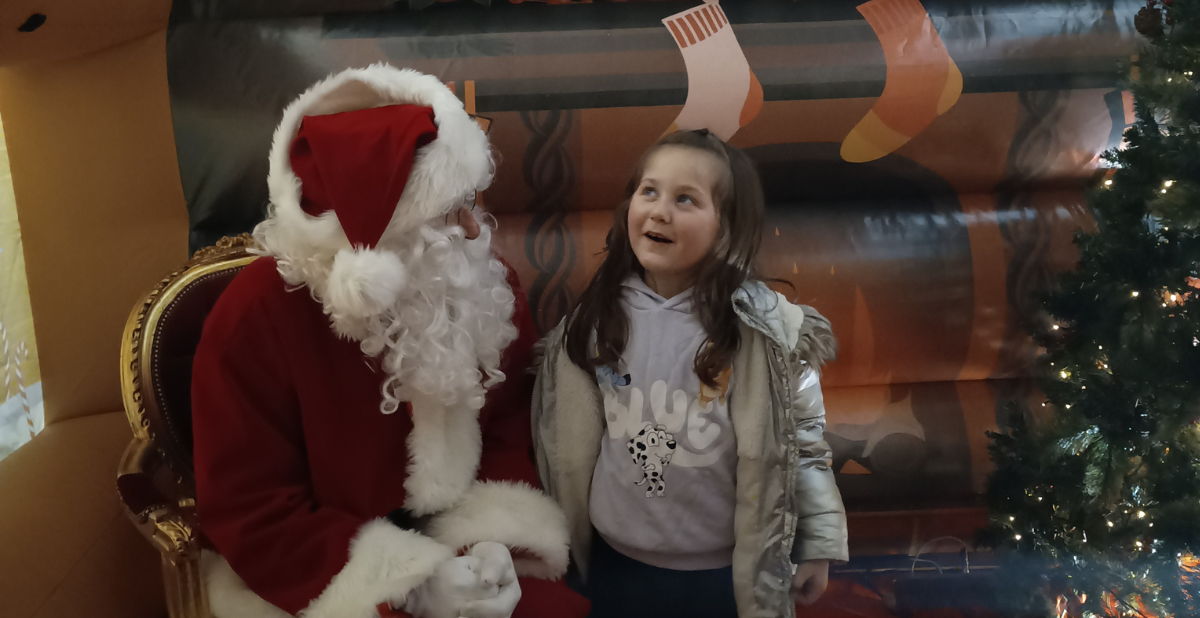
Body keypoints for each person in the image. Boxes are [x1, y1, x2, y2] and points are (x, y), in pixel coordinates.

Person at [190, 64, 590, 618]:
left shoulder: (478, 282)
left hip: (463, 542)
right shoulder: (255, 316)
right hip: (324, 575)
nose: (476, 230)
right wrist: (413, 585)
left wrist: (495, 541)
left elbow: (505, 427)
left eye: (471, 201)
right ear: (375, 249)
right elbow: (251, 511)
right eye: (452, 212)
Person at [531, 129, 848, 617]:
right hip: (616, 563)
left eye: (686, 199)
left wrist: (817, 542)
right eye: (649, 191)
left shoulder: (767, 334)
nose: (660, 211)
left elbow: (802, 441)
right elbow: (567, 435)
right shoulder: (596, 318)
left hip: (719, 576)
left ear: (727, 227)